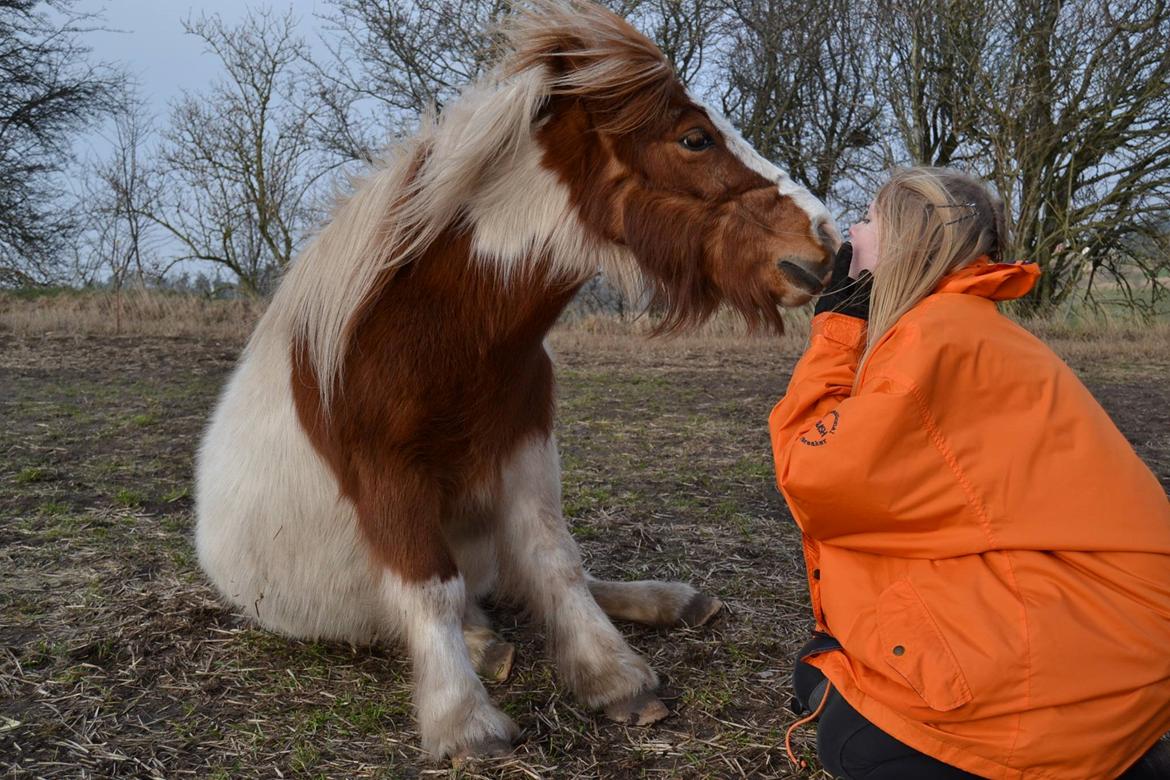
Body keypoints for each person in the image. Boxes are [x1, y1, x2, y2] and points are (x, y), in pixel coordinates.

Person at [768, 167, 1170, 779]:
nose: (851, 230)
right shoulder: (959, 326)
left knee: (854, 746)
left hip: (1093, 643)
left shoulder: (932, 340)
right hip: (1114, 627)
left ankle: (1077, 753)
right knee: (826, 668)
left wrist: (838, 329)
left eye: (870, 219)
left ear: (906, 241)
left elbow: (812, 475)